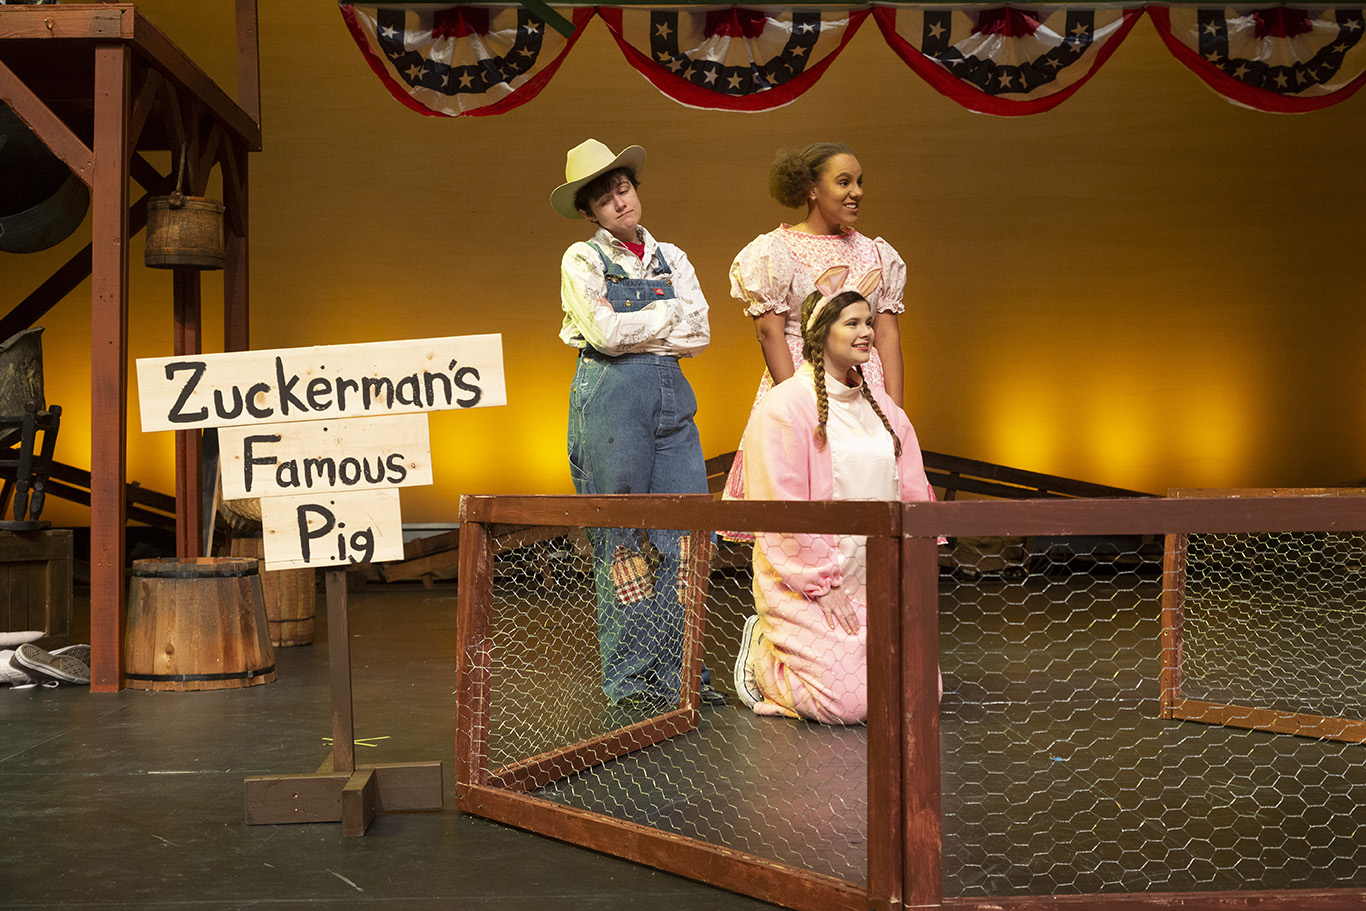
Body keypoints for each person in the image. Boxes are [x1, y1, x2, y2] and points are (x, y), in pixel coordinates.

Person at [552, 138, 724, 712]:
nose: (619, 203)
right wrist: (667, 313)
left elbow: (700, 333)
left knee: (686, 534)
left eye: (623, 189)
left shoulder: (672, 256)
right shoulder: (582, 260)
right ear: (590, 212)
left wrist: (639, 322)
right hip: (612, 398)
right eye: (605, 199)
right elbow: (603, 336)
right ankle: (631, 679)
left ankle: (683, 674)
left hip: (672, 397)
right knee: (622, 537)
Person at [733, 265, 934, 725]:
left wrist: (907, 574)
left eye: (869, 322)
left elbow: (913, 494)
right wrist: (821, 585)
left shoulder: (886, 411)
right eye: (853, 323)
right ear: (822, 333)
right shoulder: (784, 407)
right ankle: (764, 660)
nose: (867, 333)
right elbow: (780, 510)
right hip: (810, 584)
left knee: (918, 693)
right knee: (846, 704)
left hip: (875, 583)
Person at [722, 142, 909, 506]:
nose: (857, 192)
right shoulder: (777, 249)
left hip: (865, 387)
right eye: (844, 182)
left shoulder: (875, 252)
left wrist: (896, 415)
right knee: (808, 487)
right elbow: (770, 332)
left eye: (859, 182)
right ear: (811, 188)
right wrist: (799, 406)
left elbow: (887, 336)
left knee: (868, 489)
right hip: (804, 381)